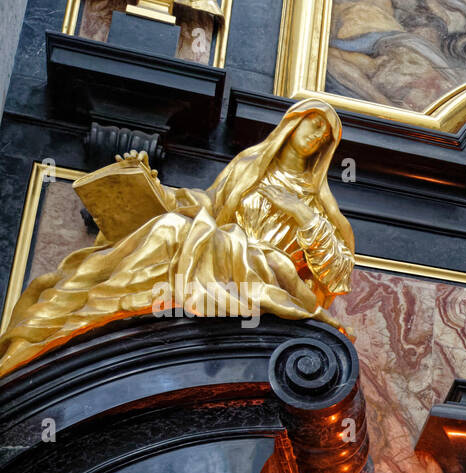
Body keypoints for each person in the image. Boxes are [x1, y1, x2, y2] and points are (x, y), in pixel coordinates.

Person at [0, 99, 355, 378]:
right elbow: (208, 207)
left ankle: (72, 321)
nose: (317, 136)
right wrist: (152, 187)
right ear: (295, 121)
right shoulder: (248, 167)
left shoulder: (318, 202)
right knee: (169, 226)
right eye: (315, 123)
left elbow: (337, 277)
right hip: (224, 254)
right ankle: (63, 322)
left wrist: (304, 215)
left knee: (176, 231)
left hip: (264, 271)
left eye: (326, 136)